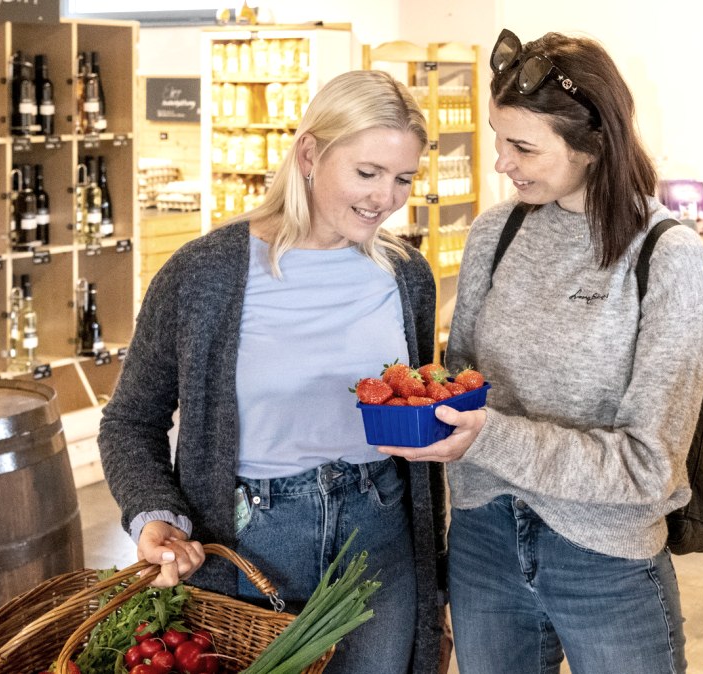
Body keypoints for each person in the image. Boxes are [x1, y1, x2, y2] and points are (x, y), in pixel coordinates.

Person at [379, 29, 703, 674]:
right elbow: (461, 386)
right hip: (483, 544)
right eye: (497, 139)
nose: (501, 163)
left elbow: (650, 467)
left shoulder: (665, 257)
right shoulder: (494, 233)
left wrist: (485, 437)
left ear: (593, 145)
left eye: (523, 146)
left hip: (605, 556)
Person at [98, 69, 445, 674]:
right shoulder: (203, 274)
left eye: (403, 179)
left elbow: (415, 411)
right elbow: (131, 420)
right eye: (367, 173)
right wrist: (154, 513)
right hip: (249, 541)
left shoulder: (406, 276)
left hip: (380, 534)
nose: (386, 198)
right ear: (309, 153)